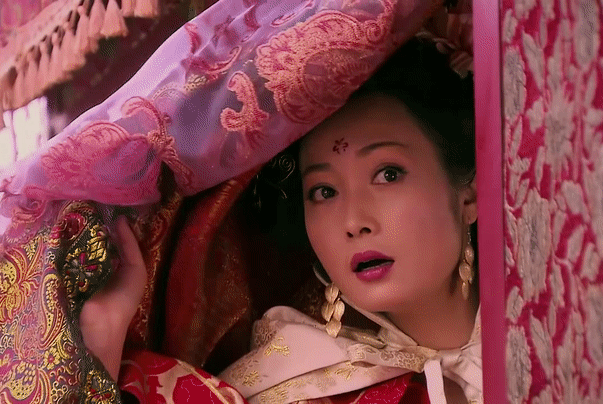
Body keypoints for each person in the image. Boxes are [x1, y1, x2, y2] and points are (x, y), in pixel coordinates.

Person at [81, 37, 481, 404]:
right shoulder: (298, 383)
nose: (353, 221)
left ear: (469, 195)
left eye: (388, 174)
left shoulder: (523, 328)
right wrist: (104, 337)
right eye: (324, 191)